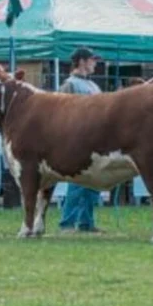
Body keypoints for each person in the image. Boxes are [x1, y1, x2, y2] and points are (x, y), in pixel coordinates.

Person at [58, 48, 103, 233]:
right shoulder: (69, 84)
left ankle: (87, 222)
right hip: (76, 139)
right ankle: (67, 222)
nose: (95, 63)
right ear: (82, 61)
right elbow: (62, 112)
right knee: (77, 183)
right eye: (92, 60)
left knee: (93, 183)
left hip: (95, 139)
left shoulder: (94, 87)